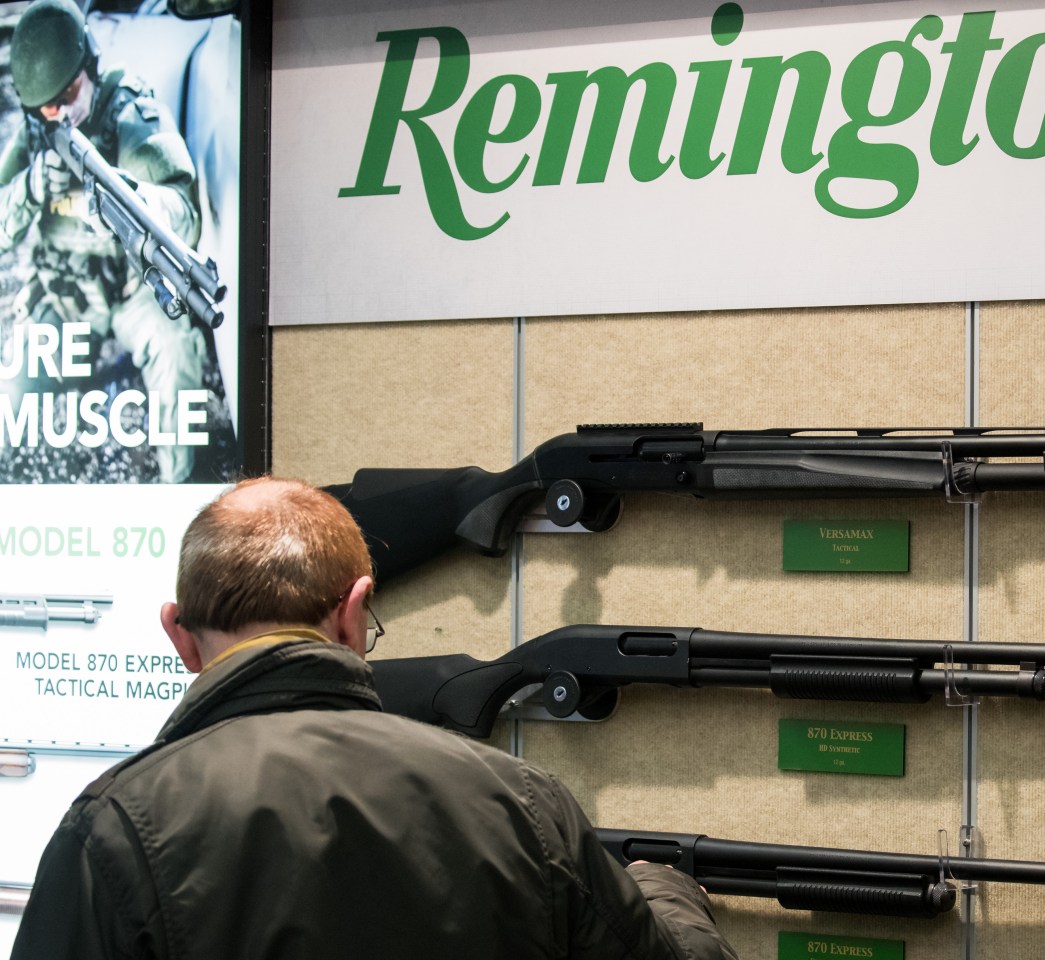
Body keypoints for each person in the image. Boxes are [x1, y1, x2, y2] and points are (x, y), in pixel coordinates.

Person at [11, 477, 738, 960]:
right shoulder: (522, 803)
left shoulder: (114, 828)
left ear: (177, 634)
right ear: (356, 615)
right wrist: (666, 890)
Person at [0, 0, 209, 482]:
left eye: (67, 94)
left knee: (175, 351)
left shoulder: (128, 108)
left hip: (135, 290)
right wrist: (29, 189)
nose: (58, 113)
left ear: (88, 65)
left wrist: (136, 201)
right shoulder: (38, 127)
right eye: (45, 106)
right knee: (12, 391)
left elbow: (185, 213)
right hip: (67, 295)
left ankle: (179, 499)